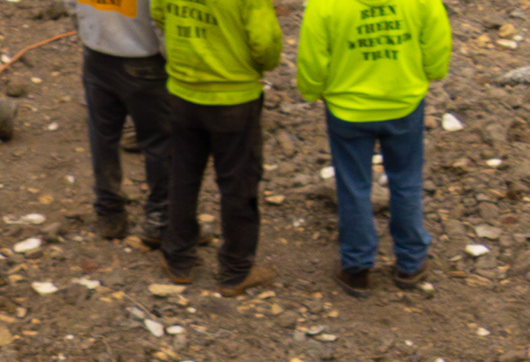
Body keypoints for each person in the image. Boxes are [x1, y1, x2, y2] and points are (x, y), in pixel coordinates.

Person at [297, 0, 450, 292]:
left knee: (353, 185)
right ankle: (411, 263)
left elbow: (312, 56)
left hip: (348, 109)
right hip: (403, 102)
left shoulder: (324, 5)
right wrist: (432, 72)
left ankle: (357, 267)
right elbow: (436, 40)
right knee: (406, 180)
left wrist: (312, 90)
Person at [156, 0, 281, 294]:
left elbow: (159, 16)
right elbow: (266, 43)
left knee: (183, 175)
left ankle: (178, 259)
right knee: (239, 182)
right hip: (233, 97)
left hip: (183, 90)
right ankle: (235, 270)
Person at [74, 0, 174, 244]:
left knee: (103, 134)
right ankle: (159, 217)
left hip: (97, 52)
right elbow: (162, 16)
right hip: (143, 57)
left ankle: (109, 210)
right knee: (159, 140)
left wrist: (87, 32)